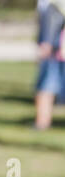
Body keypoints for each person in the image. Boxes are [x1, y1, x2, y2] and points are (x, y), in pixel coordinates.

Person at [36, 0, 65, 130]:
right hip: (57, 47)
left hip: (56, 48)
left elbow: (52, 17)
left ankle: (42, 122)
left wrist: (46, 43)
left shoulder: (54, 4)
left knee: (45, 86)